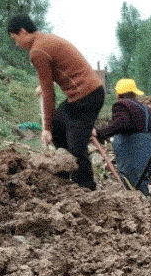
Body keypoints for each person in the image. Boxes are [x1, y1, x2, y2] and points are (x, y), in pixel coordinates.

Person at [8, 14, 104, 191]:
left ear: (22, 31)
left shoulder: (37, 51)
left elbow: (49, 93)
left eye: (15, 39)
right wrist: (43, 87)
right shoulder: (46, 40)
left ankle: (86, 187)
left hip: (85, 96)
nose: (17, 44)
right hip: (89, 93)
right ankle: (67, 172)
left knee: (75, 145)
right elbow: (52, 76)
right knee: (58, 125)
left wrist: (45, 127)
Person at [94, 79, 151, 195]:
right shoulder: (150, 111)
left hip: (135, 153)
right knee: (142, 183)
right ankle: (150, 209)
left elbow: (122, 123)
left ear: (118, 94)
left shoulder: (121, 105)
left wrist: (100, 133)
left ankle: (144, 210)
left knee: (133, 187)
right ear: (135, 93)